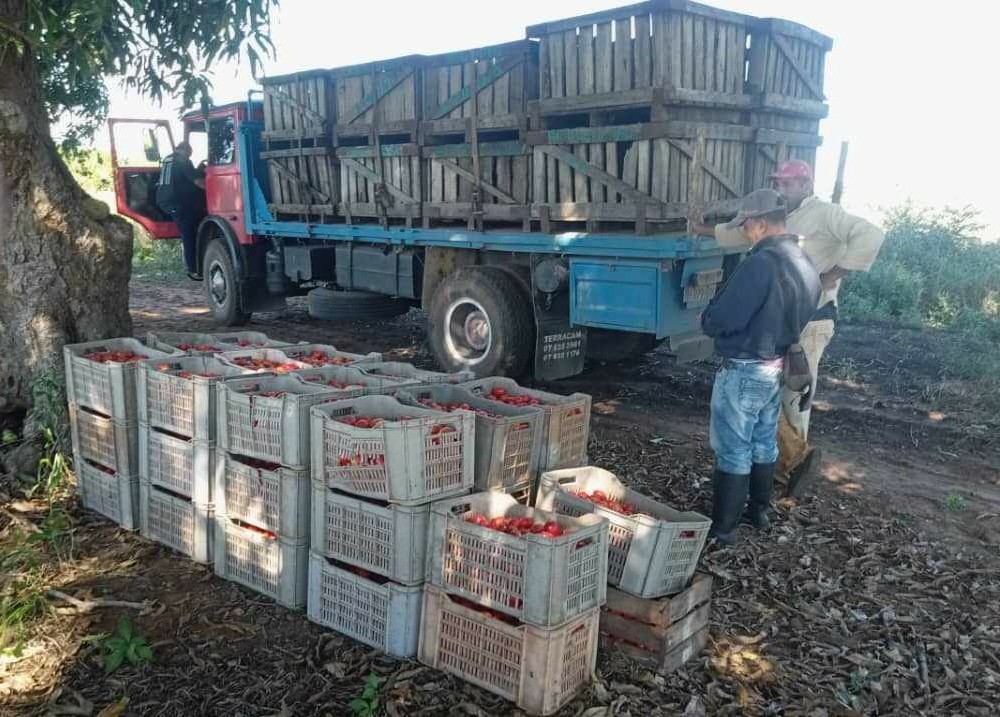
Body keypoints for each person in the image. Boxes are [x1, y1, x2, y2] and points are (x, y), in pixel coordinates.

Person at [691, 160, 885, 497]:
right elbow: (741, 232)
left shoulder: (825, 214)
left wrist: (831, 276)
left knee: (792, 397)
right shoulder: (780, 225)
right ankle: (766, 485)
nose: (782, 189)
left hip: (810, 318)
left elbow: (872, 234)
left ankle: (790, 469)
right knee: (769, 401)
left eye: (788, 184)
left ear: (806, 183)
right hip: (785, 319)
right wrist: (703, 230)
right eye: (778, 183)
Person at [700, 189, 821, 544]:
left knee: (734, 446)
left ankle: (724, 529)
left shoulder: (760, 264)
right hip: (775, 366)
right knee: (763, 441)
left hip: (744, 367)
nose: (746, 233)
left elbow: (725, 316)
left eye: (747, 226)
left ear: (759, 223)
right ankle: (759, 511)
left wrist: (708, 319)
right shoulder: (804, 261)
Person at [156, 141, 206, 281]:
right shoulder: (182, 161)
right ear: (185, 151)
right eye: (189, 154)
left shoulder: (169, 158)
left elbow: (181, 178)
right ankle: (193, 270)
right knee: (189, 233)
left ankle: (196, 265)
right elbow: (198, 182)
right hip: (176, 203)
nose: (189, 157)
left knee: (190, 229)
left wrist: (198, 169)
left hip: (166, 200)